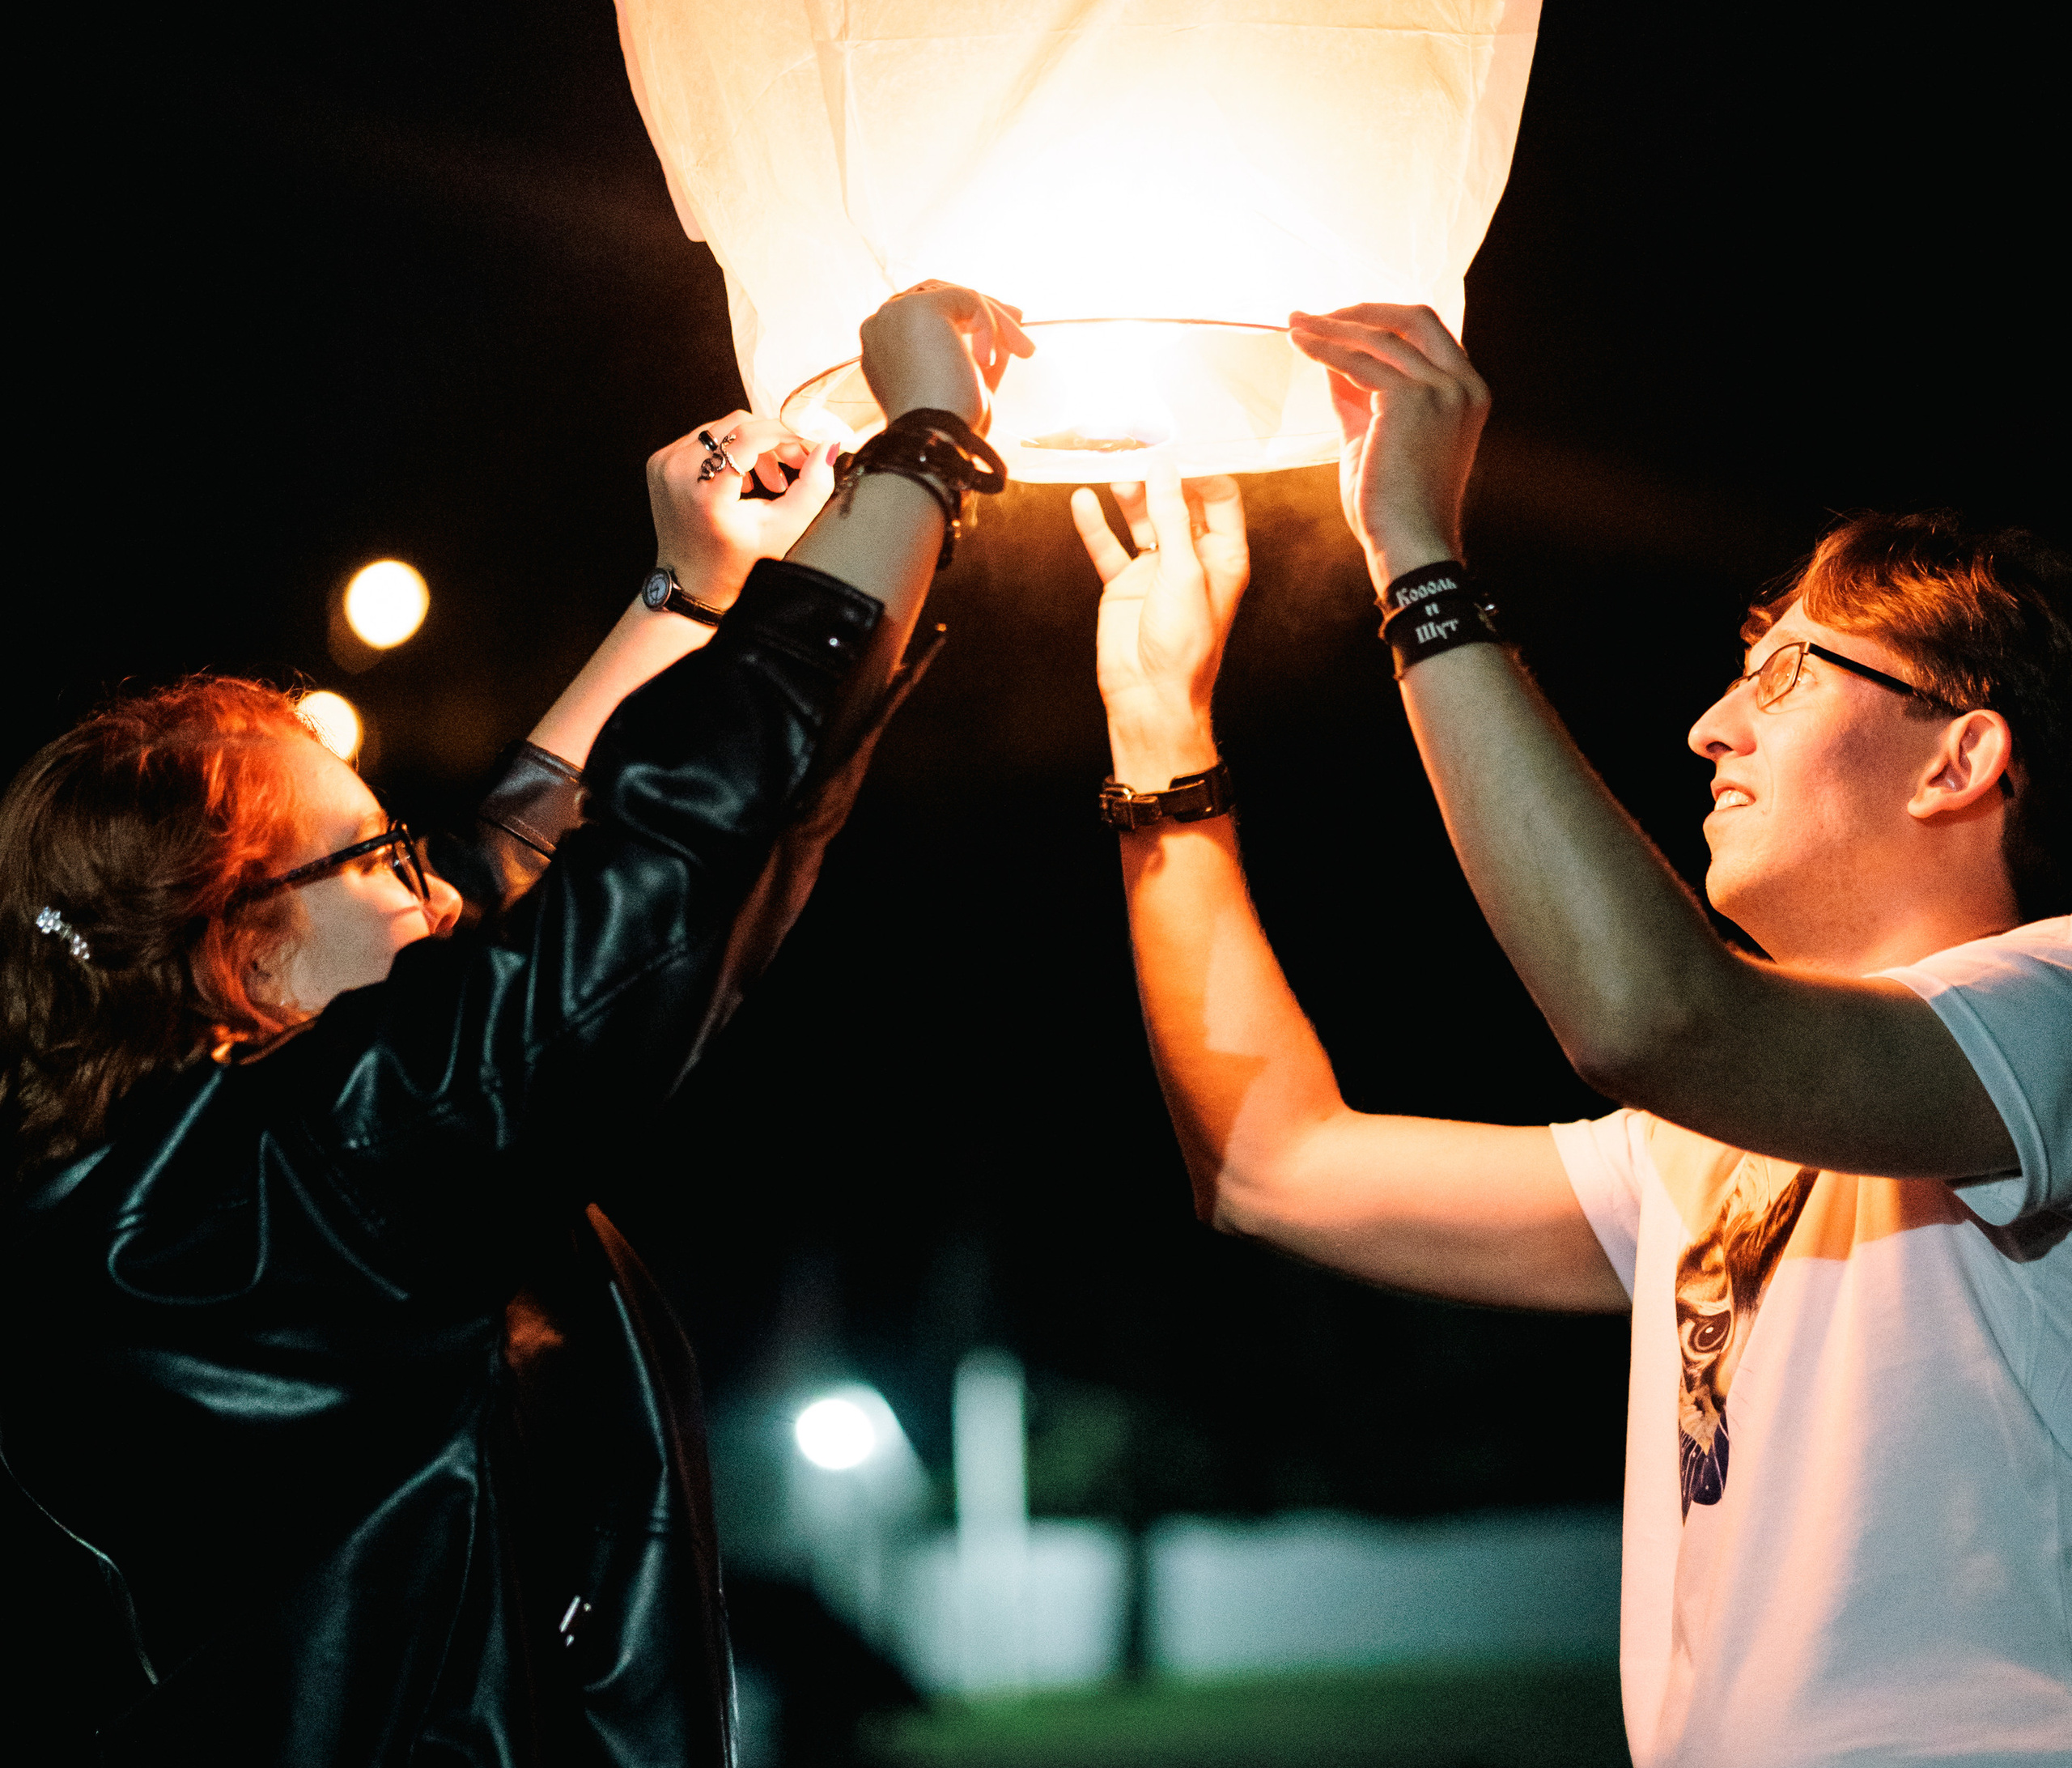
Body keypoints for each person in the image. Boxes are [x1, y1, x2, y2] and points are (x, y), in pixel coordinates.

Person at [0, 283, 1032, 1765]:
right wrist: (924, 456)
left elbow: (511, 869)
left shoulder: (183, 1181)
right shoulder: (284, 1187)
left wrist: (683, 590)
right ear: (242, 946)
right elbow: (645, 884)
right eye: (378, 854)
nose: (429, 881)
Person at [1071, 301, 2071, 1767]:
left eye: (1787, 671)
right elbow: (1273, 1168)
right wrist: (1161, 740)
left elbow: (1653, 1014)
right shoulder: (1709, 1142)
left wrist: (1417, 559)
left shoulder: (2053, 1015)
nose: (1711, 726)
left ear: (1961, 757)